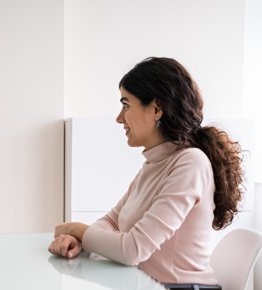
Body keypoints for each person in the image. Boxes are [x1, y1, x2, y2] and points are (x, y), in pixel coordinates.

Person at [48, 57, 243, 289]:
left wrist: (77, 230)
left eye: (126, 104)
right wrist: (79, 239)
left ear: (157, 109)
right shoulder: (154, 163)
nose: (119, 118)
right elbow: (112, 221)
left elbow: (133, 249)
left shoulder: (190, 164)